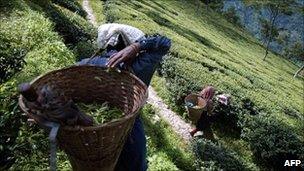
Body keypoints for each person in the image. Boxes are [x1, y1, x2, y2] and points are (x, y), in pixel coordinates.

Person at [77, 23, 171, 171]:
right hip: (130, 136)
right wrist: (137, 47)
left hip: (90, 137)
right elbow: (164, 42)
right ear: (129, 45)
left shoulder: (88, 64)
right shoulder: (140, 66)